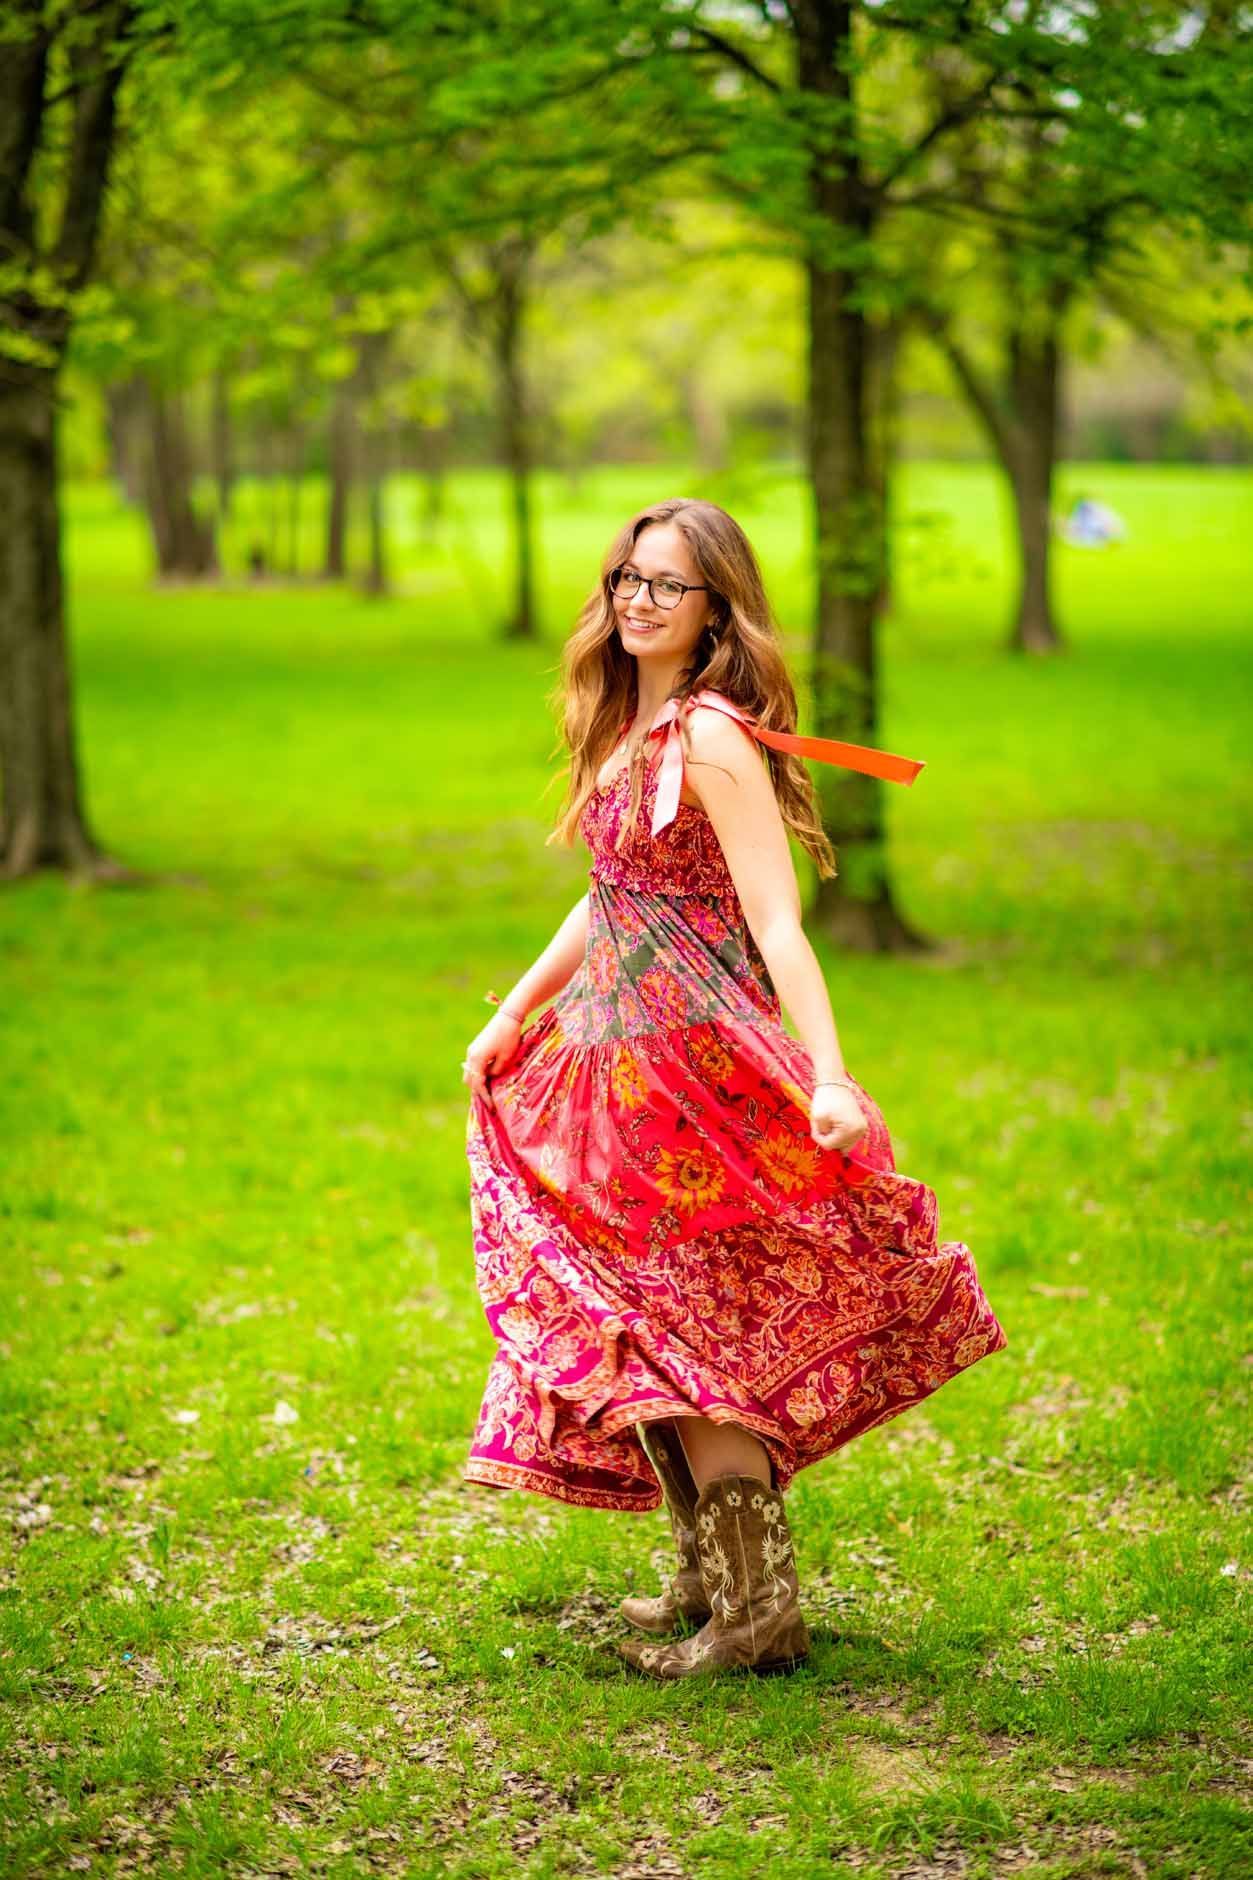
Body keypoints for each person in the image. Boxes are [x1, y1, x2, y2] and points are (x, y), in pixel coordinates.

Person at [460, 497, 1007, 1680]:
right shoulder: (628, 726)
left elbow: (775, 918)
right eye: (625, 578)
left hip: (696, 1073)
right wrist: (513, 1012)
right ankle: (711, 1573)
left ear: (715, 608)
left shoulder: (707, 735)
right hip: (615, 1062)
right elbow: (609, 896)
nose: (636, 600)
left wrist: (826, 1071)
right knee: (639, 1320)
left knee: (689, 1328)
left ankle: (759, 1611)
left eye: (666, 585)